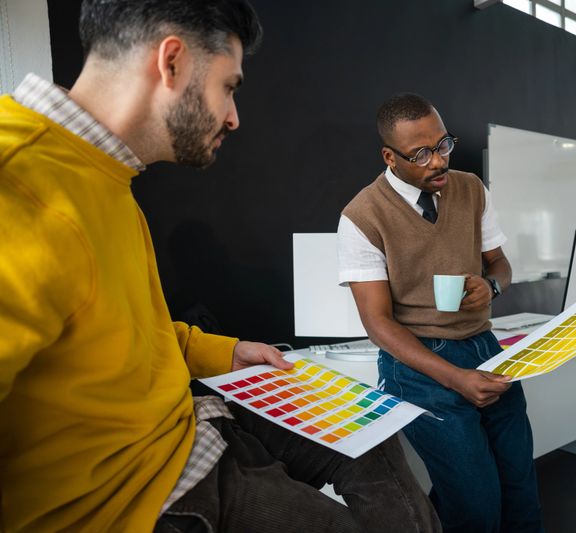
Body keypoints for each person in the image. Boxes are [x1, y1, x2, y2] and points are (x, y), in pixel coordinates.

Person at [0, 2, 439, 531]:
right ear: (171, 62)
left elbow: (125, 335)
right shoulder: (19, 188)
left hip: (187, 421)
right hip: (139, 498)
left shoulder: (105, 177)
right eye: (228, 87)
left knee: (372, 435)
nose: (234, 117)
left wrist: (224, 351)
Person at [338, 93, 544, 532]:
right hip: (417, 366)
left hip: (485, 348)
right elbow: (377, 323)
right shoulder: (361, 216)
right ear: (389, 157)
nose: (439, 162)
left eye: (444, 144)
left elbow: (501, 266)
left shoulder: (470, 188)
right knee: (475, 500)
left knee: (520, 481)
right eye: (422, 153)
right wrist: (456, 379)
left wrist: (490, 288)